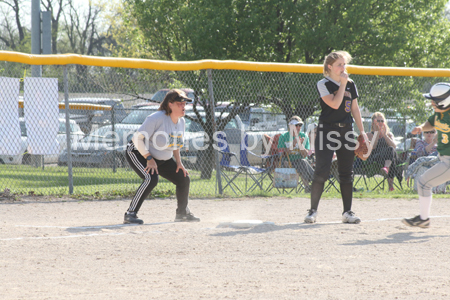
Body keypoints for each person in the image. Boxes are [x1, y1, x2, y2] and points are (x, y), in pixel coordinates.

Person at [305, 50, 367, 224]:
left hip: (346, 130)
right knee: (321, 171)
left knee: (346, 173)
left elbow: (354, 109)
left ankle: (347, 212)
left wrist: (362, 132)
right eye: (339, 64)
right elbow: (335, 103)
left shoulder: (351, 83)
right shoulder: (323, 83)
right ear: (329, 67)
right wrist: (342, 84)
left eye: (344, 64)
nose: (343, 67)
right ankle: (313, 211)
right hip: (327, 131)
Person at [123, 89, 200, 224]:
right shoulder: (156, 118)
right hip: (138, 152)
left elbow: (175, 144)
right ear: (170, 104)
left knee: (183, 178)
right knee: (151, 178)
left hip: (161, 158)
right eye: (180, 103)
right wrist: (149, 158)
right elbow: (137, 139)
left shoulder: (181, 122)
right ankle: (130, 214)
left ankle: (182, 213)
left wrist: (179, 163)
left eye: (184, 104)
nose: (183, 106)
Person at [403, 82, 450, 228]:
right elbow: (431, 122)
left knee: (423, 183)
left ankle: (424, 219)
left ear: (443, 102)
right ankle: (424, 219)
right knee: (424, 183)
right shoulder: (439, 113)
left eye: (434, 100)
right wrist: (421, 128)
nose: (431, 102)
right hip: (443, 159)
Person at [277, 116, 315, 192]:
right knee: (302, 163)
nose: (298, 127)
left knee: (302, 162)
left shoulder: (304, 136)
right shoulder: (283, 137)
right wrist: (293, 145)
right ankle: (313, 181)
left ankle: (308, 187)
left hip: (301, 162)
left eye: (300, 125)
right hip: (288, 162)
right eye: (296, 125)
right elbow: (281, 155)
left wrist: (300, 145)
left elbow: (305, 155)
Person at [366, 112, 399, 191]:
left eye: (382, 121)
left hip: (388, 157)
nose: (380, 123)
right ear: (373, 123)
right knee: (392, 159)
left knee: (391, 151)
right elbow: (373, 147)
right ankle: (390, 186)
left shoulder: (389, 134)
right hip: (376, 158)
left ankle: (386, 167)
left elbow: (394, 146)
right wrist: (377, 133)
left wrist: (384, 134)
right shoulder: (369, 135)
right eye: (378, 121)